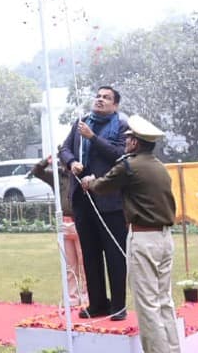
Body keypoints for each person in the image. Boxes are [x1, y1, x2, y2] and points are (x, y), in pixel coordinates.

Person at [79, 115, 180, 353]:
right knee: (164, 301)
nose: (125, 142)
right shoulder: (159, 166)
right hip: (165, 239)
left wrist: (89, 182)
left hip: (144, 239)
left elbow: (102, 186)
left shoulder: (129, 165)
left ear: (135, 143)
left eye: (128, 138)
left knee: (147, 305)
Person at [60, 85, 130, 320]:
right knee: (89, 255)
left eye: (106, 98)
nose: (100, 100)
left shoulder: (121, 125)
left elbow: (120, 156)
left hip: (110, 202)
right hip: (82, 200)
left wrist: (93, 137)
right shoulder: (81, 122)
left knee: (114, 255)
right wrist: (71, 163)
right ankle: (98, 303)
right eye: (98, 96)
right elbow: (65, 149)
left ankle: (118, 306)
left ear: (115, 105)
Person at [32, 154, 86, 310]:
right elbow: (36, 172)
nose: (64, 163)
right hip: (64, 223)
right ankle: (72, 299)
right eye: (62, 160)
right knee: (69, 266)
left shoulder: (80, 174)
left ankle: (87, 298)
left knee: (85, 265)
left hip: (80, 223)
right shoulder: (56, 177)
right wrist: (46, 161)